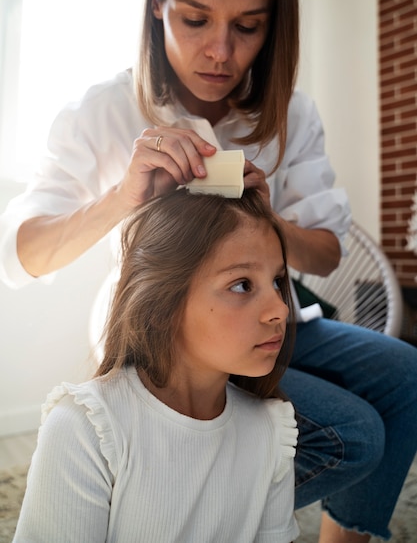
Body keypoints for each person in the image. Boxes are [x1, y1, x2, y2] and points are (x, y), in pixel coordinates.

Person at [1, 0, 417, 541]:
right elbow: (23, 255)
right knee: (353, 433)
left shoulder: (292, 115)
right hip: (164, 331)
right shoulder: (104, 110)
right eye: (195, 19)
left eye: (248, 26)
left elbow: (327, 252)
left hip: (286, 318)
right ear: (157, 2)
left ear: (275, 23)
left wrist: (267, 220)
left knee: (403, 373)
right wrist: (122, 197)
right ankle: (170, 508)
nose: (221, 52)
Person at [12, 188, 299, 543]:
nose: (281, 310)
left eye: (278, 282)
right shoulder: (86, 430)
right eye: (242, 285)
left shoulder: (272, 429)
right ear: (163, 306)